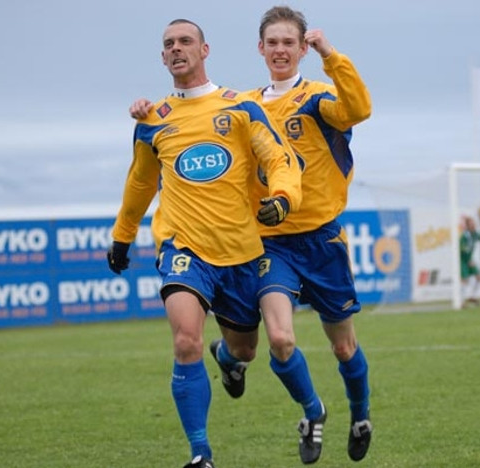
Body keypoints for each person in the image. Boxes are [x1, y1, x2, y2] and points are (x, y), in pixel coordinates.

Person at [130, 6, 372, 465]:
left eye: (289, 43)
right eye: (272, 43)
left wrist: (331, 55)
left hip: (321, 240)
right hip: (270, 242)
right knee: (280, 339)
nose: (280, 50)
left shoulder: (318, 99)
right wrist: (148, 109)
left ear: (301, 49)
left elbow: (359, 108)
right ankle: (311, 413)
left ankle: (360, 415)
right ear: (260, 49)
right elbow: (194, 115)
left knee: (343, 346)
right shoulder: (242, 104)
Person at [108, 19, 302, 468]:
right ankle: (201, 454)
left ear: (205, 49)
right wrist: (122, 235)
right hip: (183, 248)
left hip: (238, 251)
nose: (177, 48)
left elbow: (279, 158)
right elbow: (140, 183)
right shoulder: (153, 119)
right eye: (169, 44)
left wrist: (283, 197)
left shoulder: (240, 107)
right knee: (186, 341)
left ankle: (229, 359)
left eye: (185, 41)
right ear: (163, 57)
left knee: (246, 348)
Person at [460, 216, 480, 307]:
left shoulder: (475, 234)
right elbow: (462, 249)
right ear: (467, 226)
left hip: (470, 259)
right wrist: (468, 260)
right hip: (463, 260)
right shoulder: (464, 236)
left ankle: (472, 296)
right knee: (465, 280)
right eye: (471, 224)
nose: (473, 225)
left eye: (474, 224)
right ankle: (461, 301)